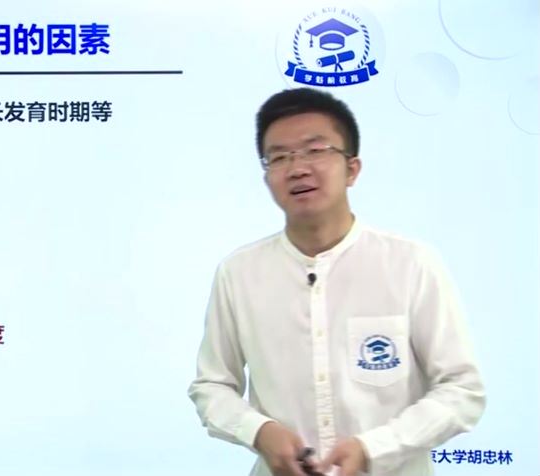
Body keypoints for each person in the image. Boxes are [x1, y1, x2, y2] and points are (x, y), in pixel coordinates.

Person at [187, 88, 485, 476]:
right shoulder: (239, 273)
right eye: (280, 157)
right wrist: (259, 431)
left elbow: (461, 390)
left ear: (352, 169)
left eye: (315, 150)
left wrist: (374, 448)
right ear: (267, 176)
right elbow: (211, 386)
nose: (297, 168)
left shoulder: (411, 263)